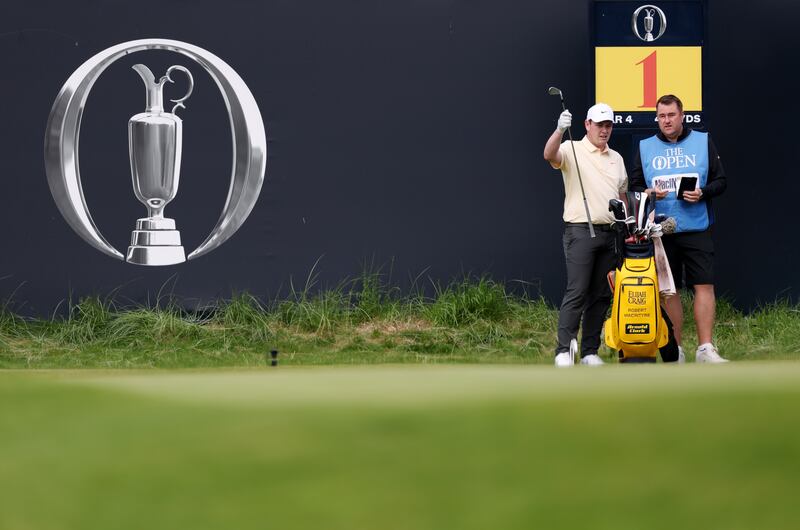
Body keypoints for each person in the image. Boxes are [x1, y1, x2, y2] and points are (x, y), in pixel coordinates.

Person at [629, 94, 728, 363]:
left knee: (703, 286)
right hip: (662, 232)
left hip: (697, 227)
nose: (666, 121)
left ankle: (705, 349)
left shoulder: (702, 140)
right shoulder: (645, 146)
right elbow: (635, 187)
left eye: (671, 115)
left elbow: (721, 181)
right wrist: (649, 193)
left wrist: (703, 193)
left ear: (682, 115)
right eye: (661, 116)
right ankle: (677, 350)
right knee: (668, 291)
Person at [543, 103, 628, 366]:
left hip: (610, 232)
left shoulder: (616, 158)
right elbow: (549, 154)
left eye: (608, 125)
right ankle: (563, 351)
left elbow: (622, 194)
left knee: (601, 294)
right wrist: (559, 130)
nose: (604, 130)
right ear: (587, 125)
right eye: (599, 125)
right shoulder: (571, 148)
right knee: (577, 291)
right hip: (580, 231)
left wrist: (627, 224)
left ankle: (590, 351)